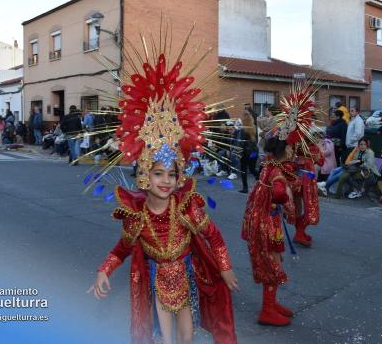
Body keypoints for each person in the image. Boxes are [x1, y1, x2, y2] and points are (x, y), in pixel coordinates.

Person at [90, 51, 238, 344]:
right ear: (145, 175)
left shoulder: (186, 207)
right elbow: (122, 249)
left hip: (185, 278)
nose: (166, 181)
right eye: (158, 174)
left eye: (171, 175)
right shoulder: (136, 216)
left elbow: (214, 236)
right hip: (156, 281)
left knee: (187, 337)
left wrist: (225, 268)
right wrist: (103, 271)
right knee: (165, 340)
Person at [242, 136, 296, 326]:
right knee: (272, 265)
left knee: (272, 262)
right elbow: (280, 194)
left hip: (260, 219)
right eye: (289, 148)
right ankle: (267, 310)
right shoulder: (277, 173)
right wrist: (286, 201)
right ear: (285, 152)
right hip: (267, 223)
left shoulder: (268, 166)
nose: (291, 151)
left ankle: (271, 304)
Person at [238, 110, 259, 193]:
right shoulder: (254, 128)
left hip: (245, 152)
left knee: (243, 170)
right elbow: (256, 140)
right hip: (254, 152)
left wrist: (238, 152)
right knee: (252, 169)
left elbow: (241, 142)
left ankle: (245, 188)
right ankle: (262, 179)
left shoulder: (243, 129)